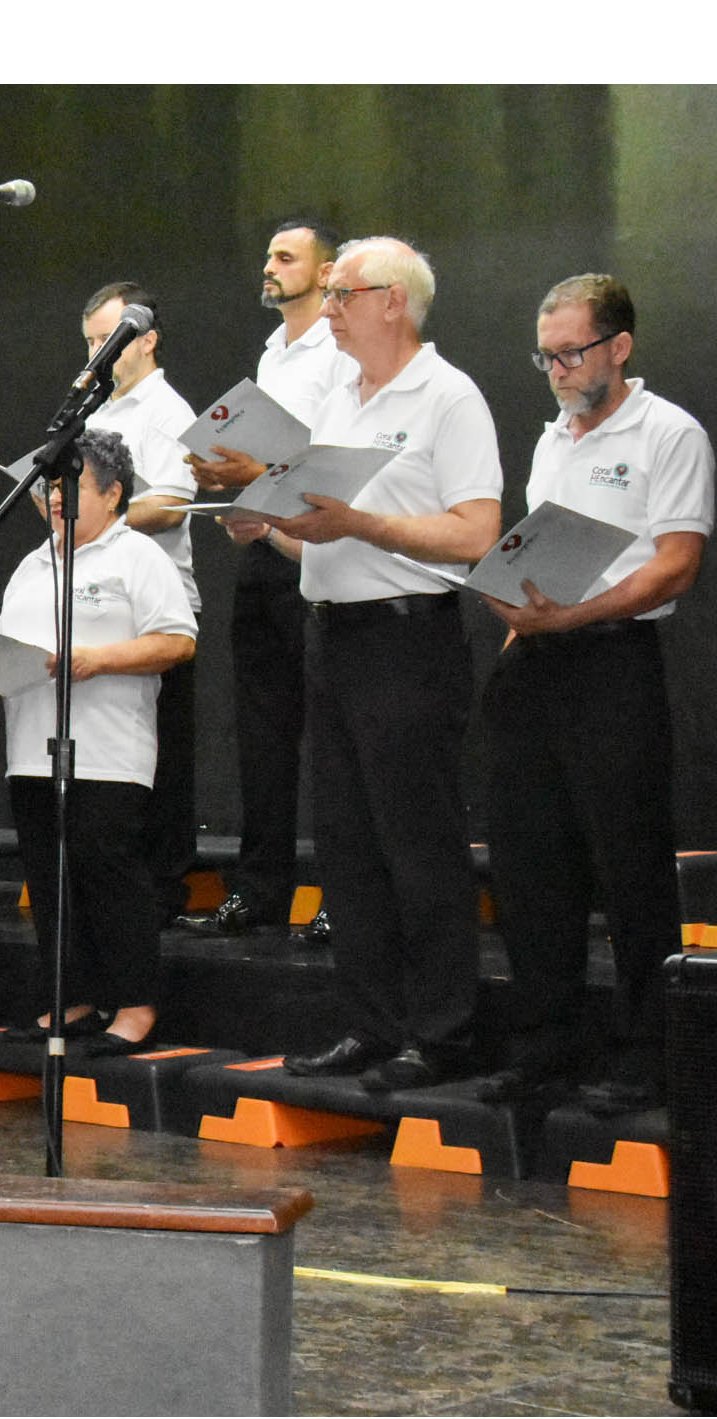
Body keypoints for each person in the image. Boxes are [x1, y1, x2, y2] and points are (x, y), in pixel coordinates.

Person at [222, 237, 502, 1091]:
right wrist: (268, 522)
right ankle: (371, 1025)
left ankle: (441, 1034)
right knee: (347, 847)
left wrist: (360, 524)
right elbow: (324, 533)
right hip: (332, 634)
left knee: (419, 845)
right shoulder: (339, 396)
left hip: (407, 638)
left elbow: (477, 532)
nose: (331, 308)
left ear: (395, 301)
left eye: (344, 294)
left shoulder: (448, 395)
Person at [477, 274, 712, 1112]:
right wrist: (518, 618)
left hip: (614, 660)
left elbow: (676, 565)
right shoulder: (552, 439)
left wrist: (572, 615)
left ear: (620, 346)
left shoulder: (668, 433)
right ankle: (546, 1045)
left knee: (629, 864)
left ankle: (647, 1054)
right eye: (545, 356)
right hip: (538, 659)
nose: (557, 371)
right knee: (530, 864)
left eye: (572, 353)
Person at [0, 428, 195, 1052]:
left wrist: (96, 659)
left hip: (107, 750)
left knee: (109, 876)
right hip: (31, 749)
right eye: (48, 488)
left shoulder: (137, 555)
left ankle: (136, 1006)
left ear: (114, 493)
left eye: (71, 487)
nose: (55, 498)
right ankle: (73, 998)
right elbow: (10, 650)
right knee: (50, 879)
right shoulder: (33, 564)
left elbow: (177, 641)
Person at [183, 219, 353, 939]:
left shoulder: (338, 351)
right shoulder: (272, 350)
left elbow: (327, 457)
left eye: (286, 257)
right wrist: (233, 484)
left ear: (326, 271)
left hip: (319, 550)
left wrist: (260, 477)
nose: (270, 266)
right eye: (268, 256)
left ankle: (344, 894)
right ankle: (260, 890)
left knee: (334, 737)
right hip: (265, 551)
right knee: (262, 732)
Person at [80, 283, 201, 923]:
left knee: (161, 760)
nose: (97, 354)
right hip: (96, 608)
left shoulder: (166, 410)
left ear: (147, 340)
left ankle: (161, 894)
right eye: (91, 342)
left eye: (110, 340)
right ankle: (117, 892)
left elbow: (173, 503)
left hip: (155, 611)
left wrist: (101, 514)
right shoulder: (94, 412)